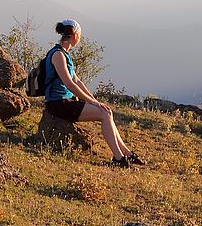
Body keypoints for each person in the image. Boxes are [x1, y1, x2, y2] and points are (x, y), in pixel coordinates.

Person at [44, 19, 144, 168]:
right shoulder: (58, 55)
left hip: (66, 102)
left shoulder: (64, 54)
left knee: (106, 111)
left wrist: (94, 101)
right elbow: (69, 84)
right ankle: (119, 159)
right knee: (104, 114)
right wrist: (93, 103)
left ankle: (127, 154)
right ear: (75, 36)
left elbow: (78, 82)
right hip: (58, 104)